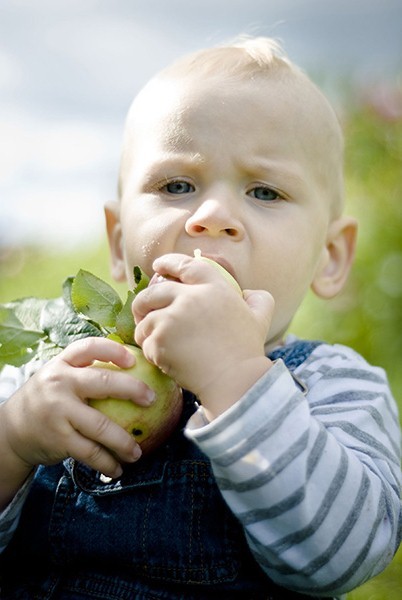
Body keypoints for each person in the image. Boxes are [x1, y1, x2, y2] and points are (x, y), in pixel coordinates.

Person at [0, 36, 400, 600]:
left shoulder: (335, 387)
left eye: (264, 191)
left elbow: (345, 555)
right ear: (118, 241)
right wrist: (14, 441)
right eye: (177, 186)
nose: (211, 217)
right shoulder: (57, 372)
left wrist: (236, 377)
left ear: (330, 256)